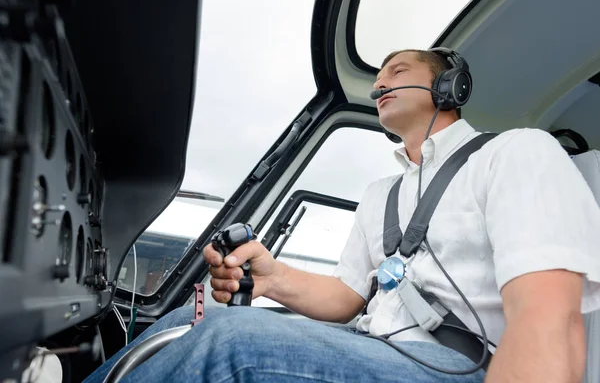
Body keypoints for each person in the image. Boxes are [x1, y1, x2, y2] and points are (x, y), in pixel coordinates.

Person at [85, 49, 600, 383]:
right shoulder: (381, 194)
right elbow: (350, 297)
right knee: (186, 321)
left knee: (232, 342)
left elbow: (548, 322)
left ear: (451, 88)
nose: (380, 86)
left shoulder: (517, 153)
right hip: (373, 344)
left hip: (458, 365)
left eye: (397, 73)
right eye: (377, 82)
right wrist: (273, 278)